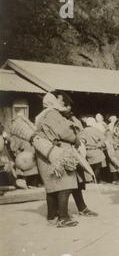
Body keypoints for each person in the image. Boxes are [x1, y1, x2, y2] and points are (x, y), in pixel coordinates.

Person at [35, 93, 79, 227]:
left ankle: (52, 216)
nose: (62, 103)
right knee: (66, 184)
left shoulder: (40, 116)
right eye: (59, 99)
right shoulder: (53, 114)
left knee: (52, 186)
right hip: (57, 153)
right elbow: (64, 132)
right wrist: (75, 139)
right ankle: (63, 218)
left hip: (44, 153)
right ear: (53, 101)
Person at [57, 93, 98, 217]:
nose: (68, 107)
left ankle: (82, 207)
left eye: (69, 105)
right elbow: (65, 135)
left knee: (78, 183)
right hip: (63, 154)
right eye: (65, 105)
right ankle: (59, 213)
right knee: (66, 184)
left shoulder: (72, 118)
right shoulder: (56, 118)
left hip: (76, 153)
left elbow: (80, 132)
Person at [79, 117, 107, 183]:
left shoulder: (83, 131)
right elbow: (103, 140)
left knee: (90, 166)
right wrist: (101, 145)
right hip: (96, 150)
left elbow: (81, 141)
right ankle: (96, 179)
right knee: (98, 166)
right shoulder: (96, 130)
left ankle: (90, 179)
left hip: (87, 151)